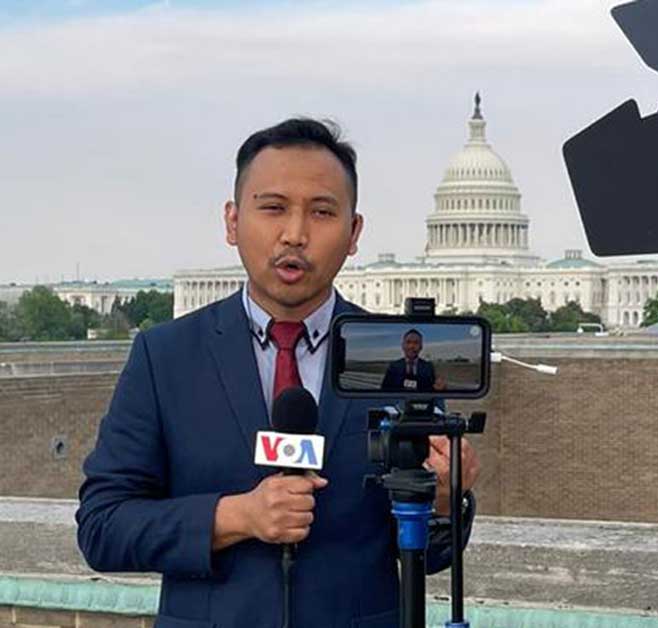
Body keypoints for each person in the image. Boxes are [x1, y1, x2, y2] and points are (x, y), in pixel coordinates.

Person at [76, 118, 480, 628]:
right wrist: (235, 517)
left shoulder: (393, 357)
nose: (294, 234)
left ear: (354, 232)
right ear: (232, 221)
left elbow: (433, 557)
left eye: (322, 212)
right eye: (272, 208)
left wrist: (445, 499)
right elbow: (102, 527)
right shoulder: (166, 356)